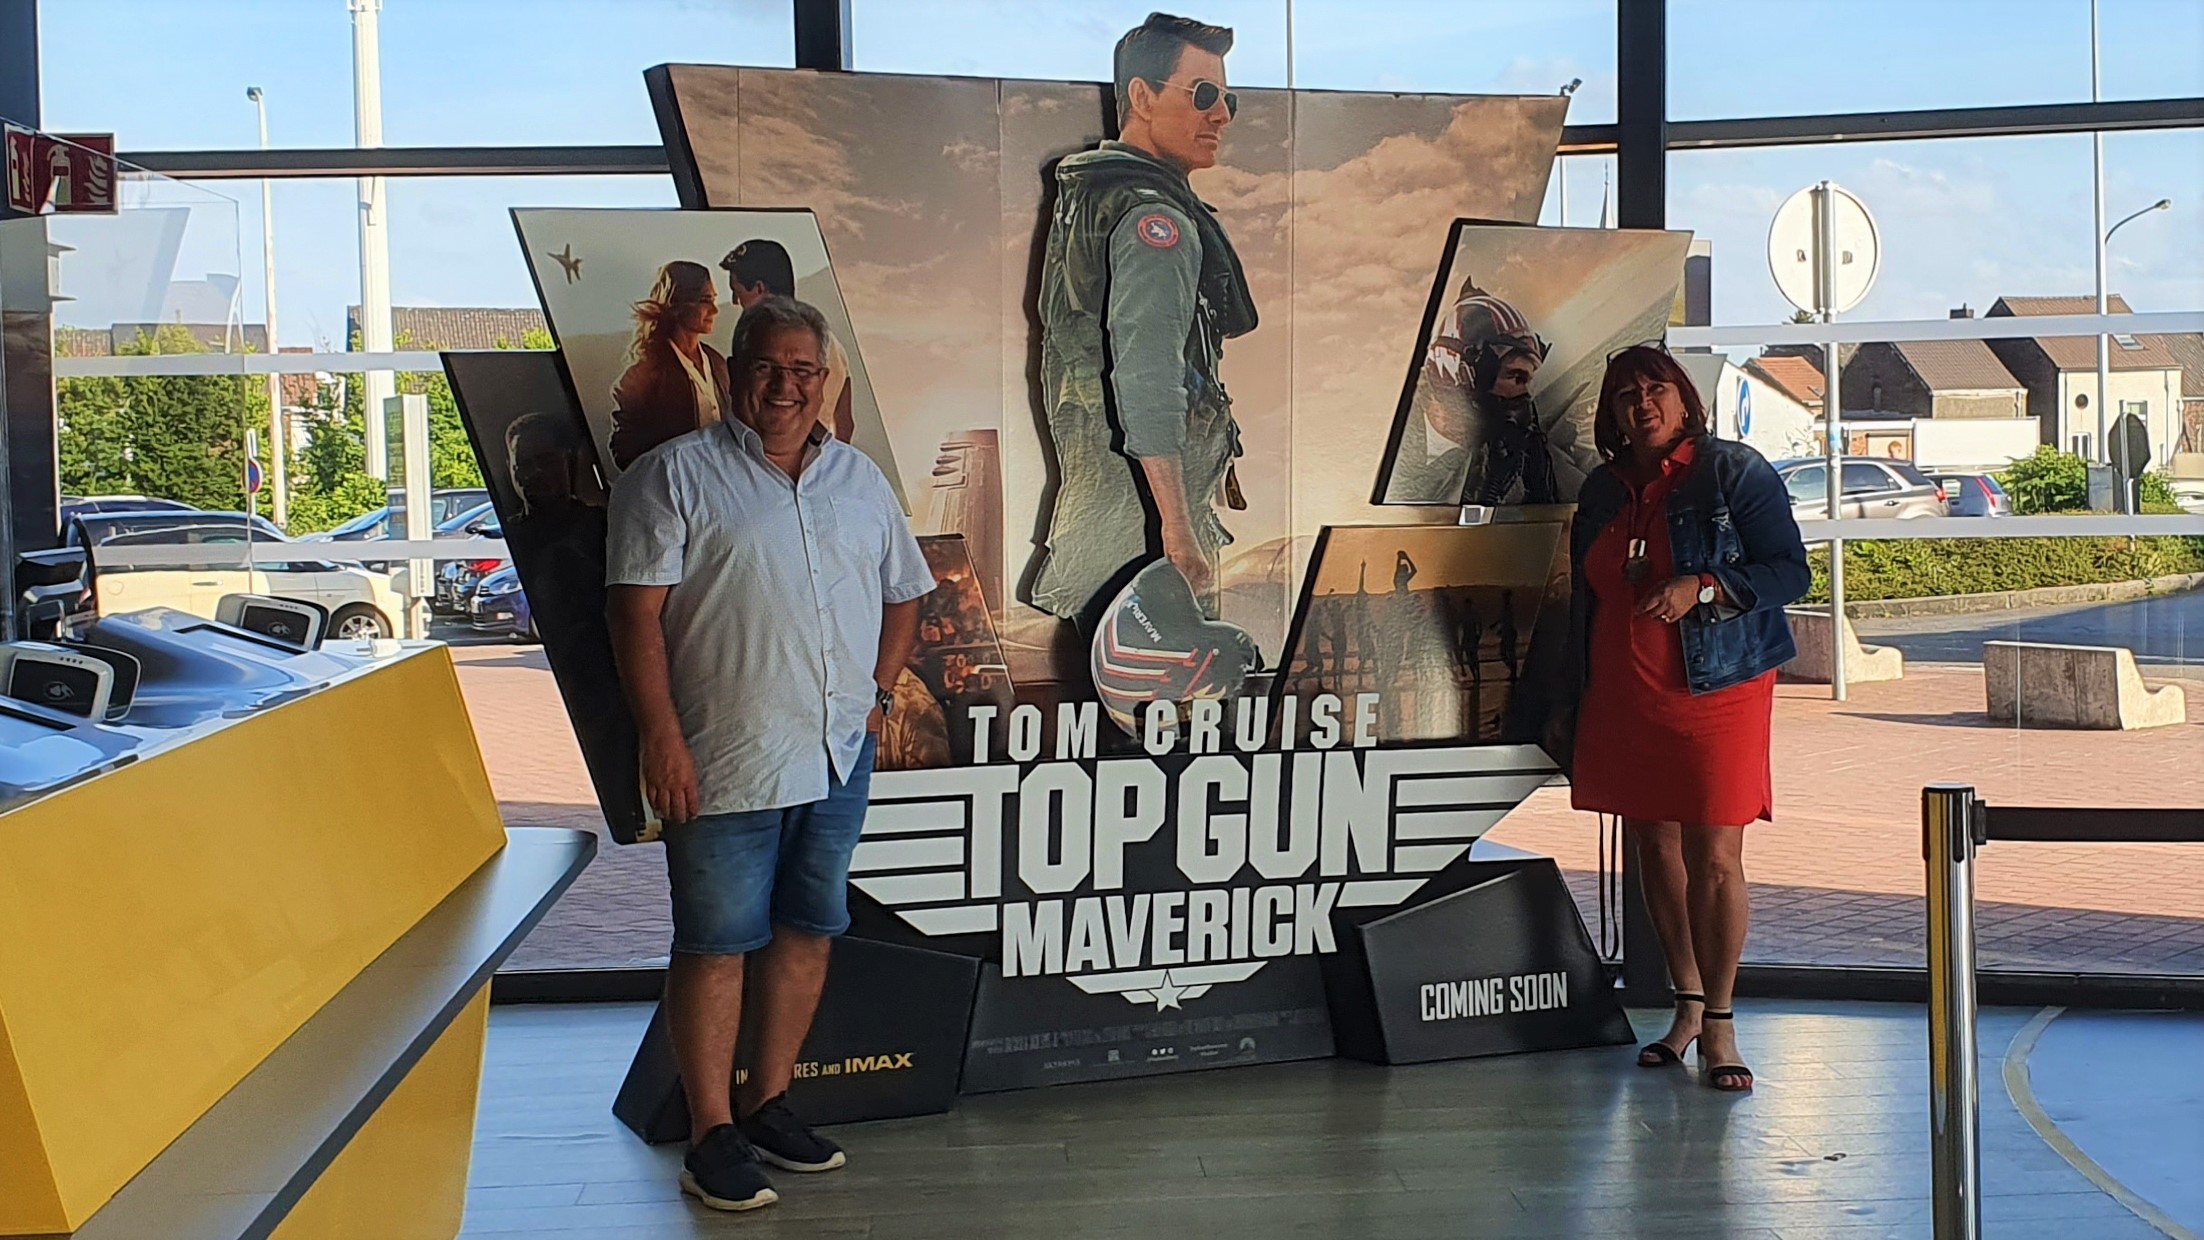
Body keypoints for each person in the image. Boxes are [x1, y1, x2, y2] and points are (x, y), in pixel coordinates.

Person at [605, 295, 935, 1211]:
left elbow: (905, 592)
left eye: (802, 370)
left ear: (824, 380)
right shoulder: (671, 478)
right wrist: (661, 740)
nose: (785, 387)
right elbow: (633, 618)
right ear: (732, 372)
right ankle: (710, 1133)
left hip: (835, 755)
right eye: (766, 367)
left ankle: (769, 1104)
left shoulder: (861, 481)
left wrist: (877, 694)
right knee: (715, 945)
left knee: (807, 932)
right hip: (721, 758)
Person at [1556, 346, 1808, 1094]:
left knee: (1716, 853)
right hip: (1624, 689)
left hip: (1718, 685)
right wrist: (1570, 694)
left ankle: (1722, 1022)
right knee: (1653, 843)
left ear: (1683, 397)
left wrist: (1701, 586)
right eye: (1626, 395)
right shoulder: (1602, 488)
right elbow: (1584, 596)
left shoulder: (1733, 471)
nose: (1643, 405)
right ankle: (1687, 1007)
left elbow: (1789, 571)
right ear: (1611, 413)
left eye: (1656, 389)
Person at [1029, 11, 1259, 625]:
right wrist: (1177, 530)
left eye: (1228, 98)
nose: (1222, 115)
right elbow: (1148, 375)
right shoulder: (1153, 222)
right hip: (1139, 535)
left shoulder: (1096, 202)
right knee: (1166, 688)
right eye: (1203, 94)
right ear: (1142, 96)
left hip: (1113, 521)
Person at [719, 239, 857, 443]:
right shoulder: (830, 343)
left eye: (737, 292)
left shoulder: (757, 344)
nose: (734, 301)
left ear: (759, 288)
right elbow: (845, 423)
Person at [608, 261, 734, 470]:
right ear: (677, 303)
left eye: (714, 299)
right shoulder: (644, 377)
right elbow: (624, 451)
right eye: (705, 300)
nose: (714, 310)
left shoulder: (717, 363)